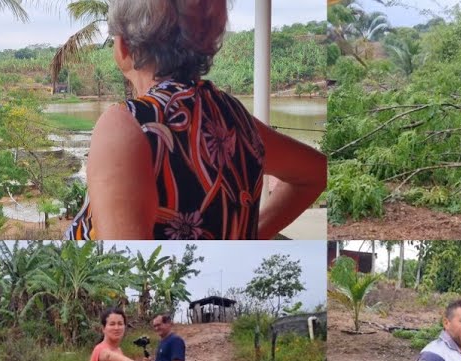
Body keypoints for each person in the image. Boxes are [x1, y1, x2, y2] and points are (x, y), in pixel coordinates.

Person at [66, 0, 328, 240]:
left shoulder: (126, 125)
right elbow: (315, 173)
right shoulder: (234, 117)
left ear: (123, 46)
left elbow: (122, 263)